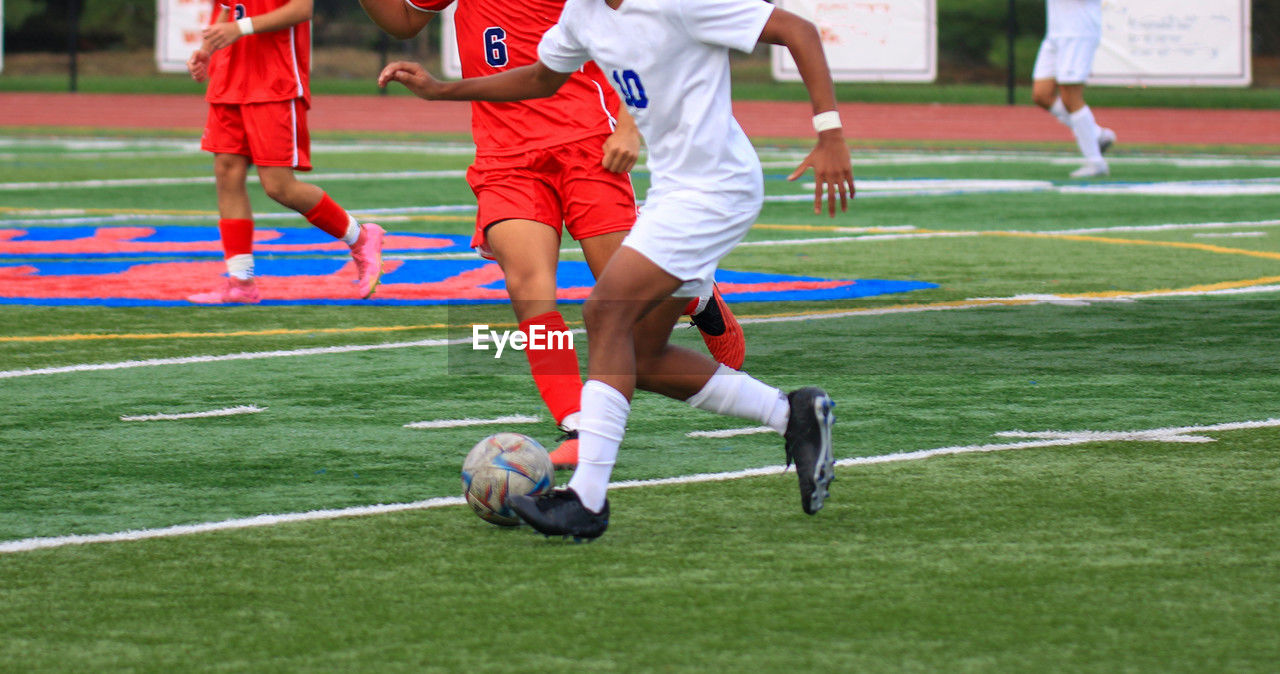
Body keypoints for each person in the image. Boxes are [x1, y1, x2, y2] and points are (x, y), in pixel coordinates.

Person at [379, 0, 852, 539]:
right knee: (640, 358)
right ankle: (793, 414)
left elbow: (797, 29)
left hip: (718, 190)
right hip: (674, 193)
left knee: (605, 314)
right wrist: (443, 90)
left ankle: (586, 498)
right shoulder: (583, 12)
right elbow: (538, 77)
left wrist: (829, 133)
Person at [358, 0, 748, 468]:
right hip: (505, 156)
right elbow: (402, 21)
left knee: (625, 301)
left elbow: (640, 37)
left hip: (587, 142)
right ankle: (578, 421)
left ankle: (693, 292)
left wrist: (628, 127)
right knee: (529, 286)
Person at [186, 0, 384, 304]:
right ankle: (241, 282)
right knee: (226, 171)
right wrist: (206, 51)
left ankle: (361, 237)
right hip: (228, 81)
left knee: (278, 186)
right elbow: (227, 10)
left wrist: (240, 28)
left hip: (274, 83)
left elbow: (301, 9)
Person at [1030, 0, 1116, 179]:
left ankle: (1095, 162)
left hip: (1078, 31)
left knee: (1070, 96)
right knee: (1042, 95)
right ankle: (1096, 134)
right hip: (1056, 32)